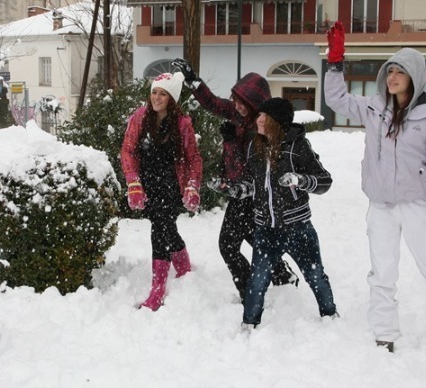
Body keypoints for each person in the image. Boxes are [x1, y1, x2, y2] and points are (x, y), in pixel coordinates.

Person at [324, 22, 426, 352]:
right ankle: (385, 333)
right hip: (381, 206)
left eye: (400, 72)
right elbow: (336, 99)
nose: (392, 77)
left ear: (414, 77)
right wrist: (335, 61)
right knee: (382, 273)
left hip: (415, 204)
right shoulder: (373, 109)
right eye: (390, 71)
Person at [171, 59, 299, 303]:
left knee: (228, 245)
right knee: (254, 239)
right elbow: (213, 103)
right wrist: (192, 80)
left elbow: (246, 168)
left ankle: (250, 292)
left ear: (255, 104)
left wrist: (230, 142)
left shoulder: (260, 127)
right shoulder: (237, 113)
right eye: (236, 100)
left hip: (251, 195)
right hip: (240, 193)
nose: (237, 106)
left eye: (243, 102)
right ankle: (281, 275)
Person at [237, 98, 338, 327]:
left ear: (276, 121)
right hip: (266, 229)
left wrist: (300, 180)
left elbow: (324, 181)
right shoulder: (255, 145)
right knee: (258, 280)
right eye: (259, 115)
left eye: (264, 116)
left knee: (315, 276)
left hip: (298, 228)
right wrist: (237, 189)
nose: (258, 119)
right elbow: (254, 184)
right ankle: (249, 324)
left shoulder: (298, 147)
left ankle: (330, 316)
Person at [120, 72, 203, 311]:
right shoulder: (139, 118)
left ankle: (157, 290)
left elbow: (193, 158)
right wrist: (133, 183)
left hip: (170, 184)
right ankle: (184, 265)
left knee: (160, 229)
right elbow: (128, 151)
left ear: (172, 99)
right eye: (154, 92)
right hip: (147, 184)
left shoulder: (182, 123)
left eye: (163, 94)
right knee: (166, 227)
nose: (156, 97)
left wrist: (192, 187)